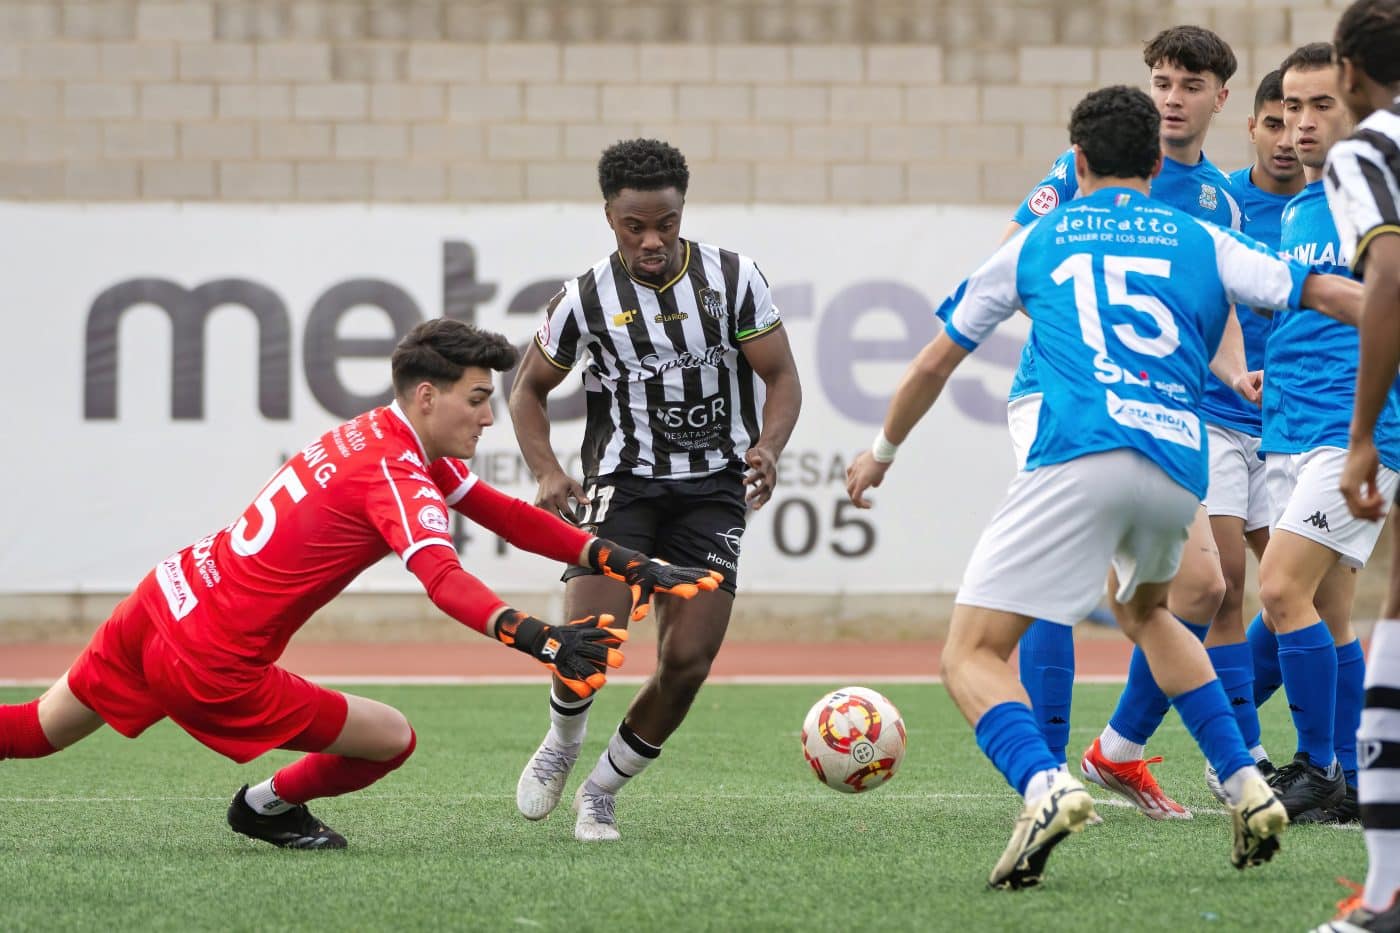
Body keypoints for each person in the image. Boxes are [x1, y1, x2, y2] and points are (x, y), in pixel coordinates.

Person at [847, 85, 1363, 890]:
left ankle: (1045, 782)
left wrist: (880, 451)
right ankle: (1244, 781)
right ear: (1156, 164)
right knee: (1149, 611)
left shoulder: (1036, 239)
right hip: (1176, 465)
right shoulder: (1202, 234)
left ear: (1078, 160)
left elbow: (933, 360)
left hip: (1078, 451)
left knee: (971, 652)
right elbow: (1322, 292)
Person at [0, 318, 721, 849]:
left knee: (35, 730)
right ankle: (264, 806)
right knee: (391, 739)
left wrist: (626, 563)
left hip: (163, 598)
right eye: (476, 399)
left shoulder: (377, 432)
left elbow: (504, 514)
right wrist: (538, 637)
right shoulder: (397, 471)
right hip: (211, 661)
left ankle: (263, 805)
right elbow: (441, 578)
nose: (487, 415)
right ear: (430, 395)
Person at [508, 138, 802, 842]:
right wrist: (548, 470)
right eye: (634, 225)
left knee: (688, 661)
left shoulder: (735, 279)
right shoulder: (582, 298)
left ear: (681, 212)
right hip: (624, 484)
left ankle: (602, 791)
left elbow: (782, 377)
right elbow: (527, 392)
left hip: (712, 492)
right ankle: (561, 742)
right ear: (610, 216)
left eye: (665, 224)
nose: (652, 240)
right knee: (588, 641)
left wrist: (767, 445)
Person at [1006, 24, 1253, 819]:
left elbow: (1214, 312)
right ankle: (1045, 770)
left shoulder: (1217, 198)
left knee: (1207, 585)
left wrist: (1234, 372)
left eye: (1188, 85)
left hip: (1158, 410)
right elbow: (1014, 253)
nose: (1171, 98)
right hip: (1060, 397)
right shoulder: (1084, 168)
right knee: (1067, 569)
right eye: (1161, 82)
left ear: (1220, 97)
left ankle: (1114, 750)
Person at [1253, 42, 1400, 825]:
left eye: (1321, 107)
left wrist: (1372, 430)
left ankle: (1315, 766)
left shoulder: (1373, 203)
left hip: (1355, 435)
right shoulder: (1296, 211)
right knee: (1330, 613)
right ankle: (1344, 780)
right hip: (1289, 428)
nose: (1301, 125)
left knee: (1278, 589)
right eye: (1288, 110)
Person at [1195, 69, 1307, 802]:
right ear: (1253, 127)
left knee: (1297, 590)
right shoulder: (1226, 203)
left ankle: (1142, 735)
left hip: (1297, 428)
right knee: (1226, 585)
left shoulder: (1331, 211)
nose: (1286, 138)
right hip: (1219, 415)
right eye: (1273, 122)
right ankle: (1239, 753)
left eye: (1296, 121)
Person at [1311, 0, 1400, 927]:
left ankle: (1386, 891)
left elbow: (1390, 278)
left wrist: (1365, 428)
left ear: (1346, 68)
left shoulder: (1367, 149)